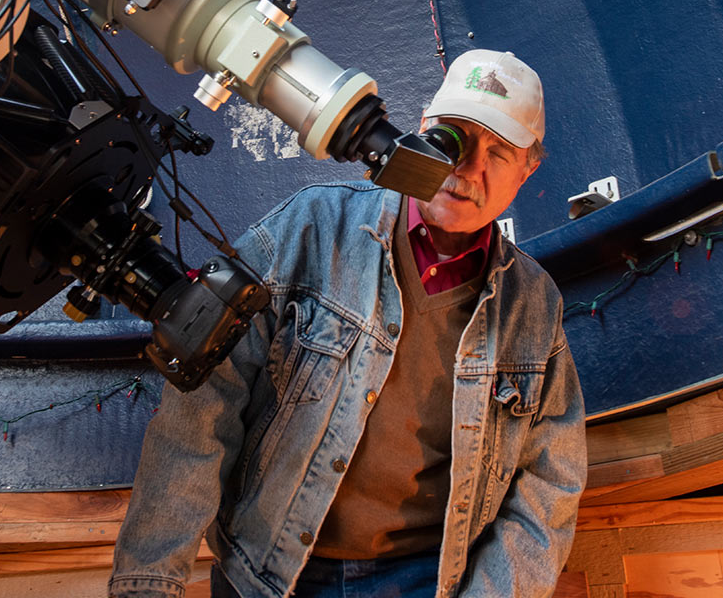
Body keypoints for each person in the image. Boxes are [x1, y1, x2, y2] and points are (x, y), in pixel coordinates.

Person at [108, 50, 587, 598]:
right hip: (268, 573)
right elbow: (201, 413)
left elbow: (550, 481)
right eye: (455, 137)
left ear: (529, 169)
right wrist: (148, 585)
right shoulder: (310, 228)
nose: (467, 167)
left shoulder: (533, 304)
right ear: (425, 127)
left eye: (499, 152)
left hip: (424, 580)